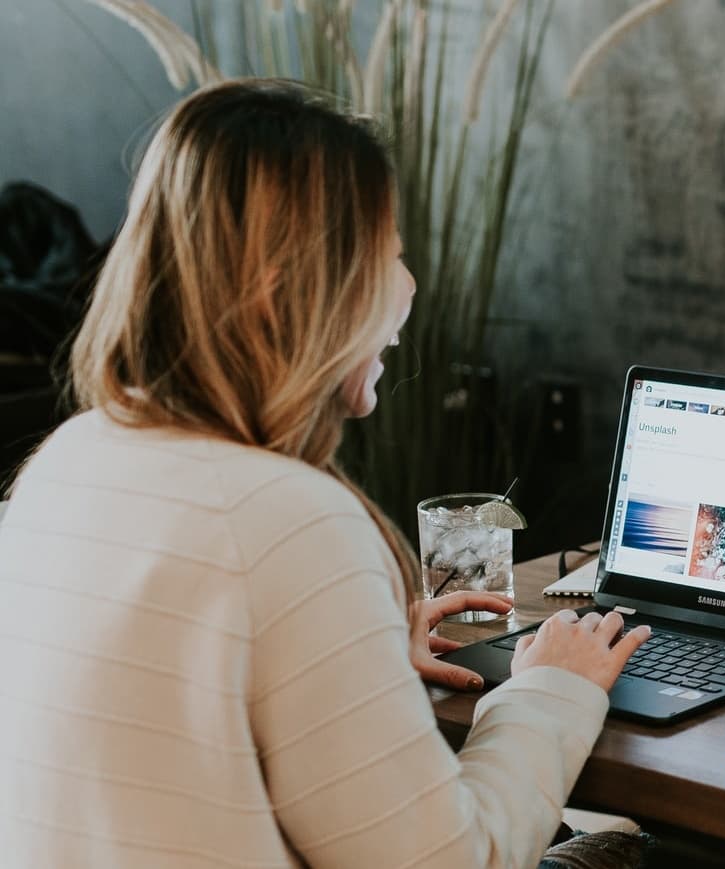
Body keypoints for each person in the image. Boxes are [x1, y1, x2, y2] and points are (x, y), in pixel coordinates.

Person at [0, 79, 652, 867]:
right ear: (291, 288)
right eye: (388, 255)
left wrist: (354, 648)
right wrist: (551, 688)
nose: (407, 288)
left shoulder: (64, 463)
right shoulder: (287, 519)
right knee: (630, 849)